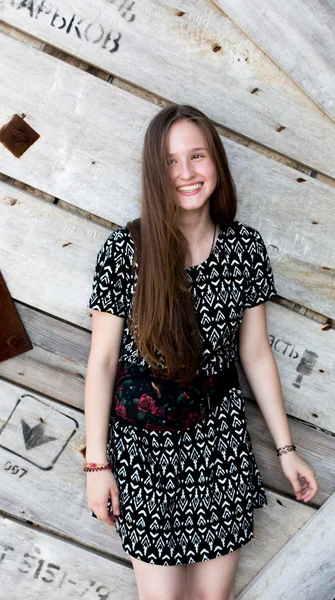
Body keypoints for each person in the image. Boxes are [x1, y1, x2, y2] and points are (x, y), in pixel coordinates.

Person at [84, 104, 318, 600]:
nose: (186, 173)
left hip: (219, 445)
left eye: (198, 156)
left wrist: (288, 451)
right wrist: (97, 466)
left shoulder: (244, 249)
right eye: (170, 161)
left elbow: (255, 356)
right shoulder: (127, 250)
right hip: (144, 453)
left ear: (217, 163)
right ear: (154, 171)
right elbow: (102, 363)